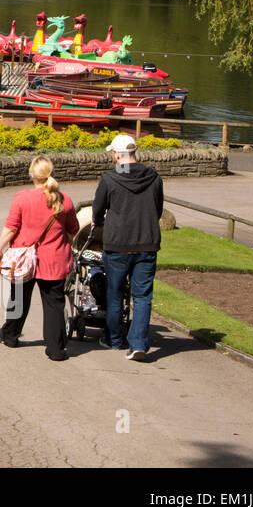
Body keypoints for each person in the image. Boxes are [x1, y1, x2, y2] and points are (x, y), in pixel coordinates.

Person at [0, 156, 80, 360]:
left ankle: (11, 334)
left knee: (19, 299)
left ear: (32, 175)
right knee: (54, 305)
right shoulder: (64, 199)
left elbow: (11, 228)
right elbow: (73, 229)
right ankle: (56, 349)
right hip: (54, 259)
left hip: (23, 258)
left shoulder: (22, 198)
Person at [92, 134, 165, 359]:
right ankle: (139, 344)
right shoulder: (153, 177)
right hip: (146, 242)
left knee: (114, 293)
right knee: (142, 296)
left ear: (117, 154)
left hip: (118, 244)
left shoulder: (110, 178)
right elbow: (158, 208)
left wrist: (99, 221)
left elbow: (97, 209)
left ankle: (114, 340)